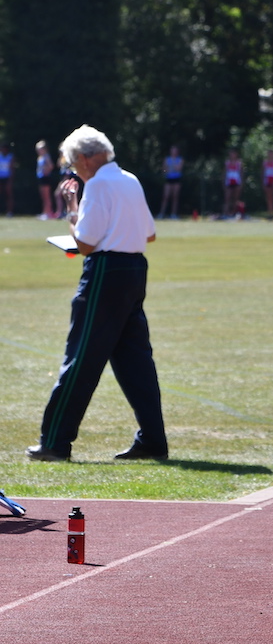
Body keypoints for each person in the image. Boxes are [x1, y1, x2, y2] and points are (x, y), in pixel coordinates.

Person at [26, 125, 168, 463]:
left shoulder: (99, 184)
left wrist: (72, 208)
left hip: (106, 272)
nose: (75, 170)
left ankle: (55, 442)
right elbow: (149, 235)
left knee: (81, 358)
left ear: (87, 158)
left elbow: (86, 244)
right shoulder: (130, 180)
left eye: (74, 163)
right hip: (135, 270)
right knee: (136, 361)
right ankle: (153, 440)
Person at [158, 145, 184, 219]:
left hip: (177, 179)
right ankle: (161, 213)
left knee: (175, 197)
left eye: (175, 150)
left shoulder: (180, 159)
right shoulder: (167, 159)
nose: (174, 152)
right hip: (168, 179)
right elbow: (164, 170)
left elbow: (179, 169)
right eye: (172, 150)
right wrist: (168, 169)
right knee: (165, 196)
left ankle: (173, 214)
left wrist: (170, 168)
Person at [35, 140, 55, 219]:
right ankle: (44, 212)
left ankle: (49, 213)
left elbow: (51, 166)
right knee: (43, 196)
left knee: (47, 196)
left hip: (45, 178)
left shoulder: (46, 156)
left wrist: (46, 171)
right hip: (40, 177)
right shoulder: (40, 157)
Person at [223, 148, 243, 217]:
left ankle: (234, 213)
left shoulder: (239, 163)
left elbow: (241, 173)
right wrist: (224, 183)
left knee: (236, 198)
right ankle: (226, 213)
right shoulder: (227, 163)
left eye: (234, 153)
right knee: (227, 198)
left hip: (237, 182)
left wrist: (241, 183)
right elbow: (225, 173)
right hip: (229, 182)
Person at [0, 143, 14, 216]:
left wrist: (10, 180)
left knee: (9, 195)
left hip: (7, 178)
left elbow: (12, 169)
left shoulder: (10, 157)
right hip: (0, 178)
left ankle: (9, 212)